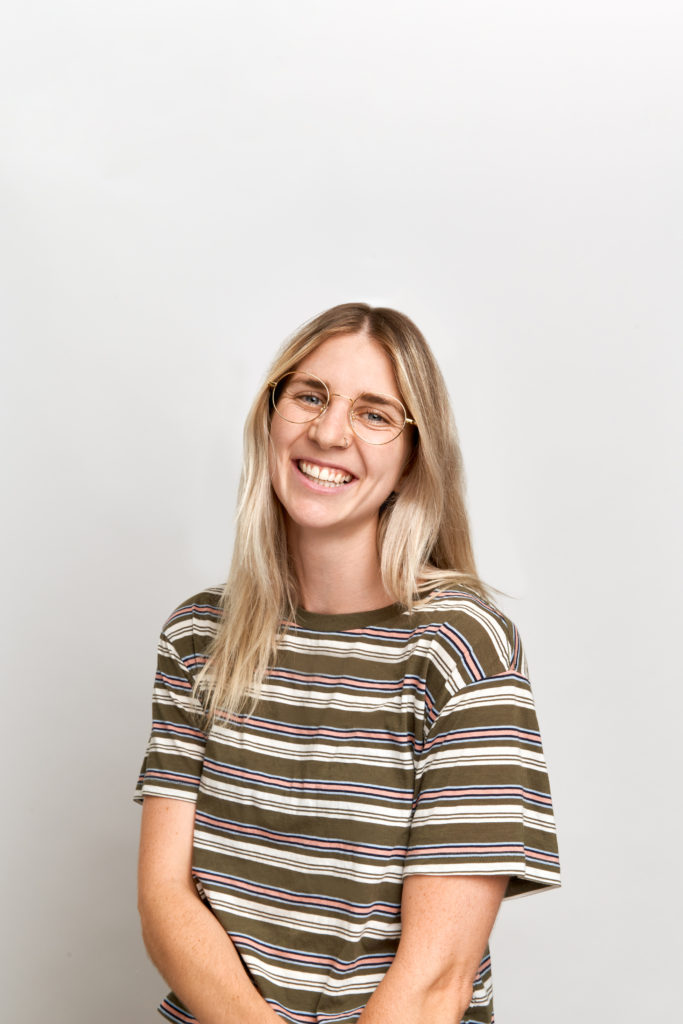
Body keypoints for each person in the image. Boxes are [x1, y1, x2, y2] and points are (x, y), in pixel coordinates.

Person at [135, 302, 560, 1024]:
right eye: (310, 396)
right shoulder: (198, 636)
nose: (329, 433)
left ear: (413, 457)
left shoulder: (460, 646)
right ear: (271, 414)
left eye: (374, 414)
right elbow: (164, 900)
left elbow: (436, 980)